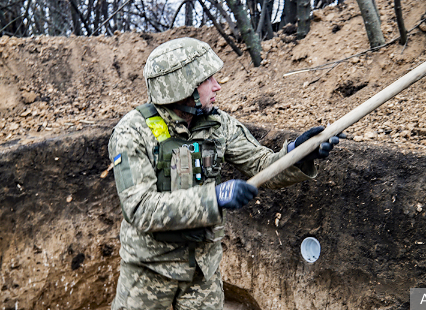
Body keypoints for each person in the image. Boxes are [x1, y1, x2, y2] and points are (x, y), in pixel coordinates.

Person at [108, 37, 340, 310]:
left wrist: (299, 155)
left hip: (202, 270)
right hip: (148, 270)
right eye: (208, 79)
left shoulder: (218, 124)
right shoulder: (133, 132)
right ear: (182, 85)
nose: (218, 86)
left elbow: (262, 164)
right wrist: (214, 198)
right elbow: (140, 208)